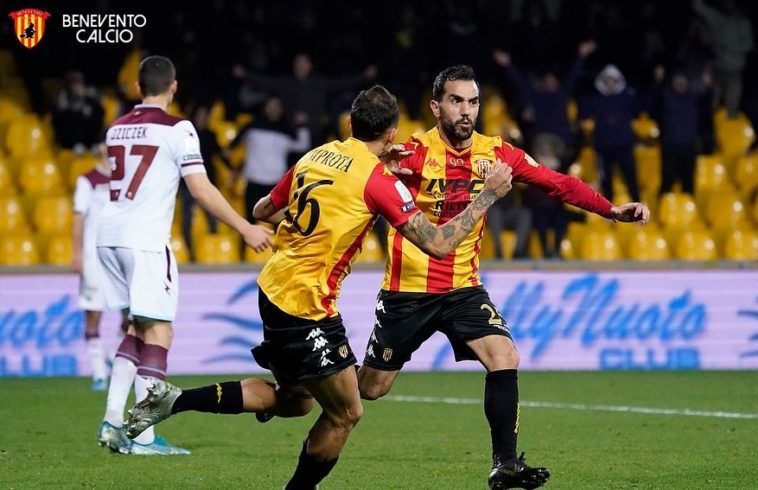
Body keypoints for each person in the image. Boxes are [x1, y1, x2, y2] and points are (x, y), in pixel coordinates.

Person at [124, 85, 514, 488]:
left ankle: (174, 400)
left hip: (273, 287)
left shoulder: (317, 155)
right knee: (347, 413)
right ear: (393, 133)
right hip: (306, 305)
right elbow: (438, 244)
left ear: (350, 124)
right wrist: (486, 196)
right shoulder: (378, 180)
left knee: (295, 402)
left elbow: (263, 209)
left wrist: (314, 223)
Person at [357, 66, 650, 490]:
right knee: (371, 389)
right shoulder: (410, 152)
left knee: (504, 356)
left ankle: (505, 463)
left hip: (463, 289)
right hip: (408, 292)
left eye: (473, 102)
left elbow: (558, 183)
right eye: (456, 101)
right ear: (436, 107)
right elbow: (359, 184)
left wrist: (611, 209)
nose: (466, 111)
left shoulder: (497, 154)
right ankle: (310, 381)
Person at [95, 55, 273, 455]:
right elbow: (200, 189)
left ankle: (111, 421)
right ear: (173, 87)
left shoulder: (115, 129)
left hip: (108, 236)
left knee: (135, 329)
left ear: (139, 88)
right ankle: (141, 436)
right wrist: (245, 227)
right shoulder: (179, 128)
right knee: (159, 332)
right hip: (144, 240)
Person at [72, 144, 129, 391]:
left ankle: (112, 354)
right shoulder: (88, 181)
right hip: (93, 256)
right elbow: (78, 217)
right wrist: (76, 253)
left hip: (120, 255)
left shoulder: (126, 180)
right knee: (93, 314)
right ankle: (98, 373)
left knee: (131, 314)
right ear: (100, 147)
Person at [226, 95, 310, 224]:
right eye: (270, 106)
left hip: (275, 185)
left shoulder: (286, 130)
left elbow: (302, 145)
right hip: (254, 180)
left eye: (277, 107)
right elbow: (230, 148)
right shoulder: (252, 127)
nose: (273, 109)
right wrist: (234, 168)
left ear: (281, 109)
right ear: (265, 108)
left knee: (280, 224)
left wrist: (302, 125)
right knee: (250, 222)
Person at [177, 105, 236, 259]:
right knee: (187, 219)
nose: (202, 118)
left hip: (207, 182)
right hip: (188, 183)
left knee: (212, 216)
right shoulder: (186, 137)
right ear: (194, 117)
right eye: (200, 115)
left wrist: (233, 168)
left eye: (205, 115)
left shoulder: (210, 135)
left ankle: (212, 248)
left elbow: (220, 155)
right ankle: (188, 250)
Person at [580, 64, 642, 202]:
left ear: (618, 81)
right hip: (603, 147)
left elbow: (640, 110)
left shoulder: (627, 97)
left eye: (613, 80)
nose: (610, 83)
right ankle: (608, 209)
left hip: (624, 145)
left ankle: (637, 207)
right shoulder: (595, 99)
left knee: (630, 177)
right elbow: (584, 113)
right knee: (605, 179)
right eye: (607, 80)